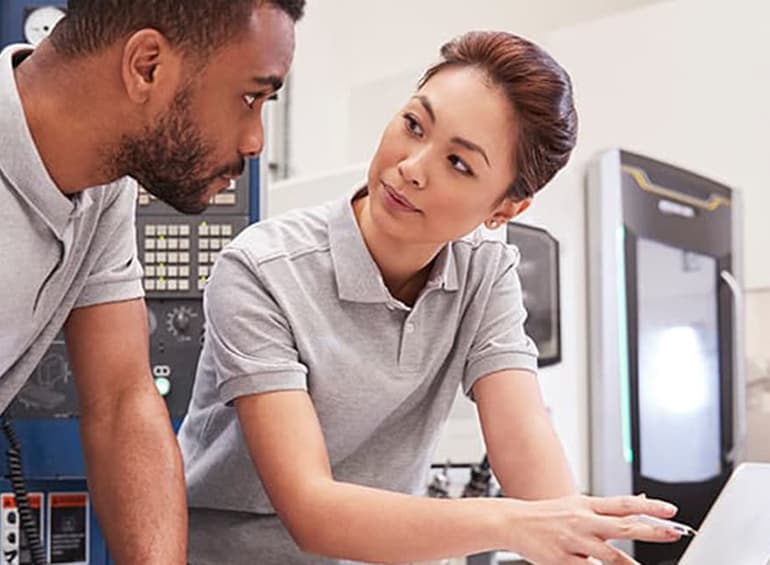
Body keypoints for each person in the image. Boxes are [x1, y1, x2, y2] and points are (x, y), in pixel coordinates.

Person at [179, 31, 682, 564]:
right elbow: (312, 512)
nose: (413, 167)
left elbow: (526, 447)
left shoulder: (485, 271)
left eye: (459, 163)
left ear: (505, 210)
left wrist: (578, 536)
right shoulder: (262, 269)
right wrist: (512, 523)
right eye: (414, 125)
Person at [0, 0, 304, 562]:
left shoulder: (103, 188)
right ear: (146, 66)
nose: (254, 141)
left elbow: (123, 402)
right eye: (248, 98)